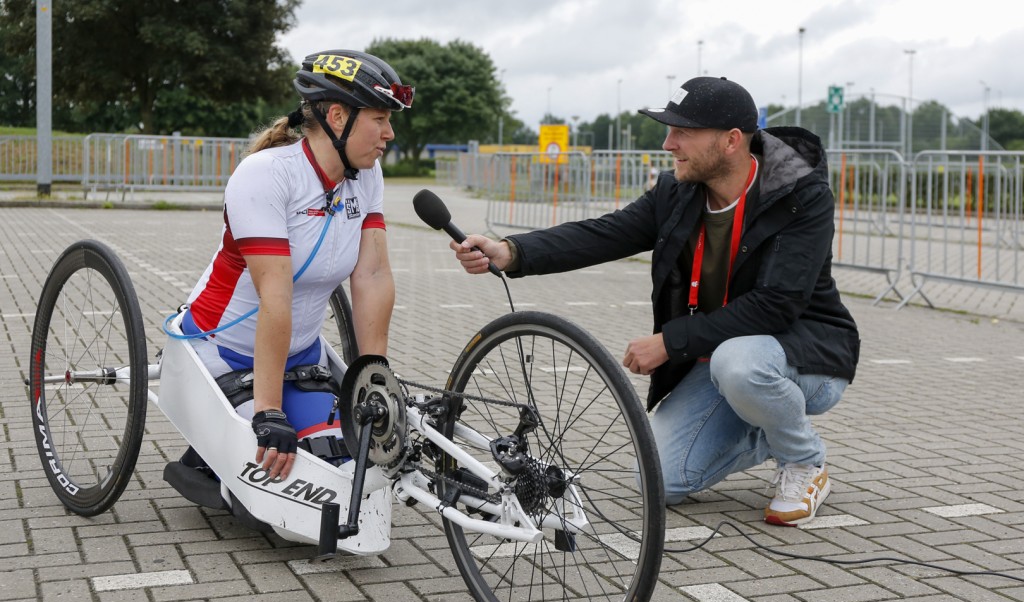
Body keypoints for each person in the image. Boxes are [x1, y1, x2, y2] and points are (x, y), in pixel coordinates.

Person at [450, 76, 859, 526]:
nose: (669, 144)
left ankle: (803, 459)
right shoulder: (678, 193)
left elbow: (776, 305)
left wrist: (669, 342)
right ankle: (770, 425)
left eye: (682, 132)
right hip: (719, 358)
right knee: (657, 478)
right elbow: (606, 233)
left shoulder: (801, 197)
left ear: (731, 141)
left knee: (740, 365)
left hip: (803, 355)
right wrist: (512, 251)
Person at [171, 49, 413, 487]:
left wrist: (374, 379)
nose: (389, 133)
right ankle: (209, 454)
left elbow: (373, 277)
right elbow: (275, 293)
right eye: (380, 119)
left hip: (301, 357)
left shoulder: (367, 176)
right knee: (285, 479)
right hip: (222, 351)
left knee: (346, 465)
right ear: (338, 117)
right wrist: (269, 411)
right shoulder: (265, 174)